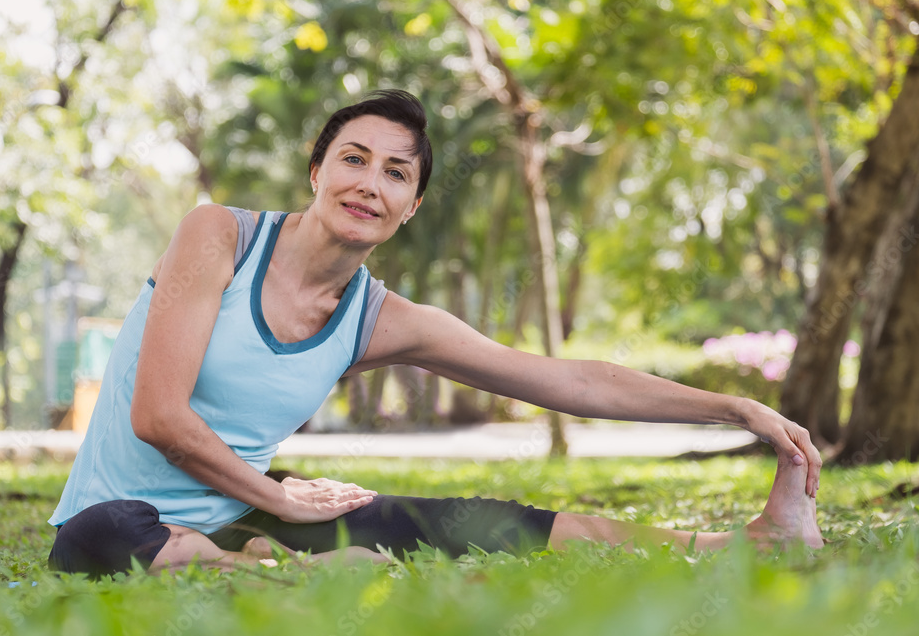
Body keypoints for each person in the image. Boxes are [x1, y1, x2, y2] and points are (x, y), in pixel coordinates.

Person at [47, 90, 823, 579]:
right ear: (316, 170)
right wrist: (283, 498)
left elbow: (573, 380)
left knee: (485, 520)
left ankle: (749, 543)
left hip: (251, 512)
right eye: (353, 159)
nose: (369, 183)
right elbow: (160, 418)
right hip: (121, 522)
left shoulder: (378, 318)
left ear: (412, 204)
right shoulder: (219, 236)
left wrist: (737, 409)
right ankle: (269, 568)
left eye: (395, 173)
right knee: (102, 530)